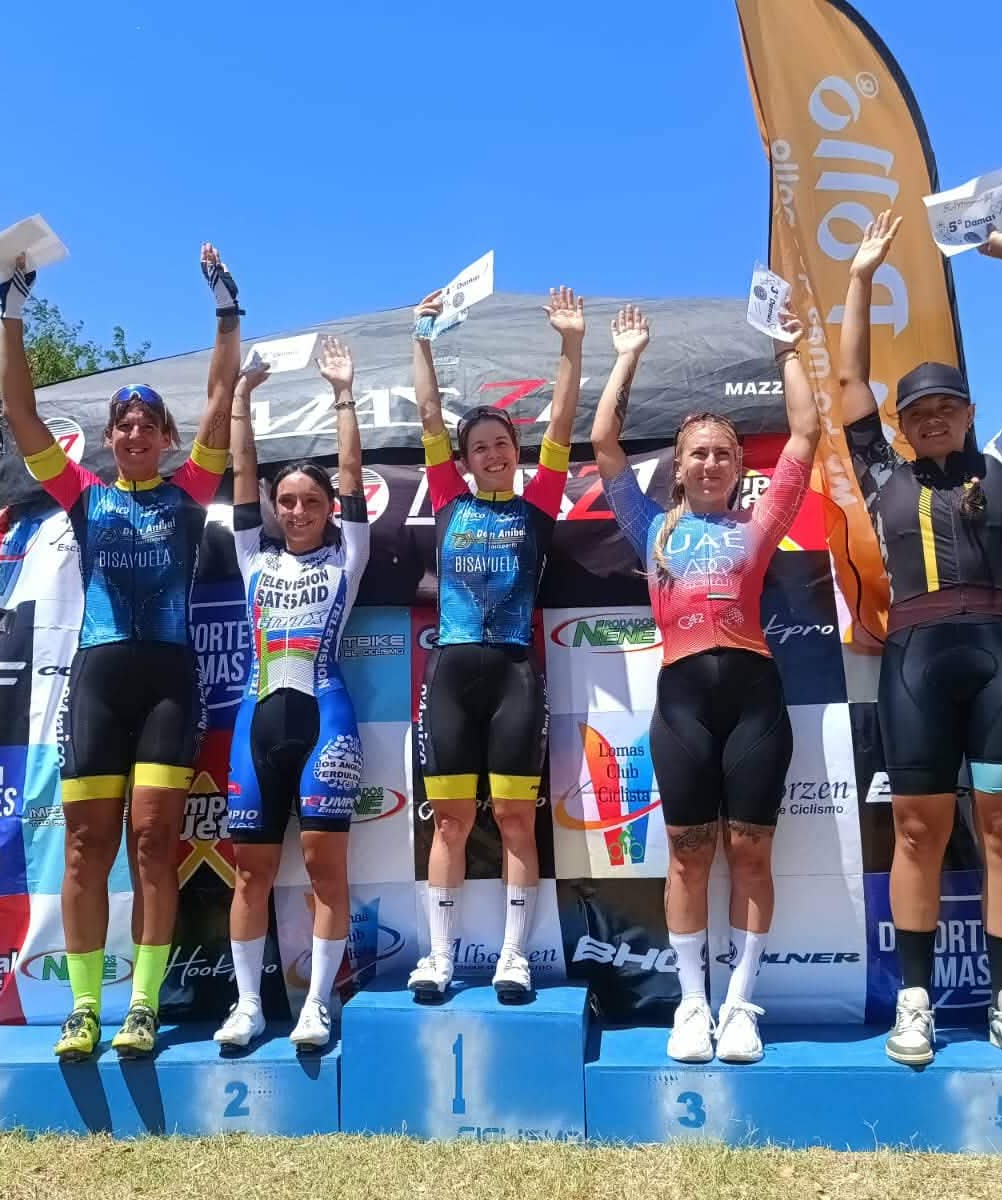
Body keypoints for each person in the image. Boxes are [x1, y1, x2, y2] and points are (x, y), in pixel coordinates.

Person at [0, 243, 242, 1060]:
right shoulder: (83, 495)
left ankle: (142, 1005)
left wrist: (226, 311)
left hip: (168, 683)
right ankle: (81, 1009)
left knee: (152, 843)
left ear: (167, 438)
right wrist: (12, 312)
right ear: (109, 439)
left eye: (148, 425)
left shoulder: (188, 492)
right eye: (124, 425)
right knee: (83, 847)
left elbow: (221, 399)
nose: (136, 433)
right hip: (99, 681)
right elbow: (20, 413)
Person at [840, 210, 1002, 1070]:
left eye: (945, 408)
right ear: (901, 425)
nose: (932, 420)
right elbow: (850, 379)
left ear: (969, 414)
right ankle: (915, 1002)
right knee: (915, 833)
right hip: (916, 665)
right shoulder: (882, 472)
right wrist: (860, 276)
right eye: (918, 412)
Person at [591, 302, 818, 1063]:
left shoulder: (759, 526)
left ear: (739, 467)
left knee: (751, 854)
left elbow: (806, 434)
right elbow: (604, 442)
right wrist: (627, 356)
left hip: (756, 702)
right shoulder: (651, 529)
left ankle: (741, 1004)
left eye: (723, 453)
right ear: (679, 466)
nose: (711, 463)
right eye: (698, 454)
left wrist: (788, 351)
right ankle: (692, 1004)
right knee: (688, 855)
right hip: (682, 705)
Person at [405, 286, 584, 1001]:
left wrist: (571, 345)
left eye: (501, 444)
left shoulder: (539, 504)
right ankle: (439, 957)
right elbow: (427, 414)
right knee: (449, 823)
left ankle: (515, 956)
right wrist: (421, 338)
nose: (491, 454)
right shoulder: (449, 500)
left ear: (515, 452)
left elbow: (563, 420)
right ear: (466, 460)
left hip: (515, 674)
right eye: (479, 447)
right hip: (452, 672)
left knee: (514, 819)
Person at [212, 338, 371, 1052]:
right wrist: (241, 401)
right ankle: (248, 1005)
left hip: (326, 722)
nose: (299, 510)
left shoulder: (348, 555)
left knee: (324, 867)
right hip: (256, 724)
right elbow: (242, 473)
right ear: (274, 510)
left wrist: (343, 394)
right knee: (250, 872)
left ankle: (318, 1005)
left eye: (311, 501)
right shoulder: (254, 554)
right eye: (288, 502)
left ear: (330, 508)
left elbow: (353, 471)